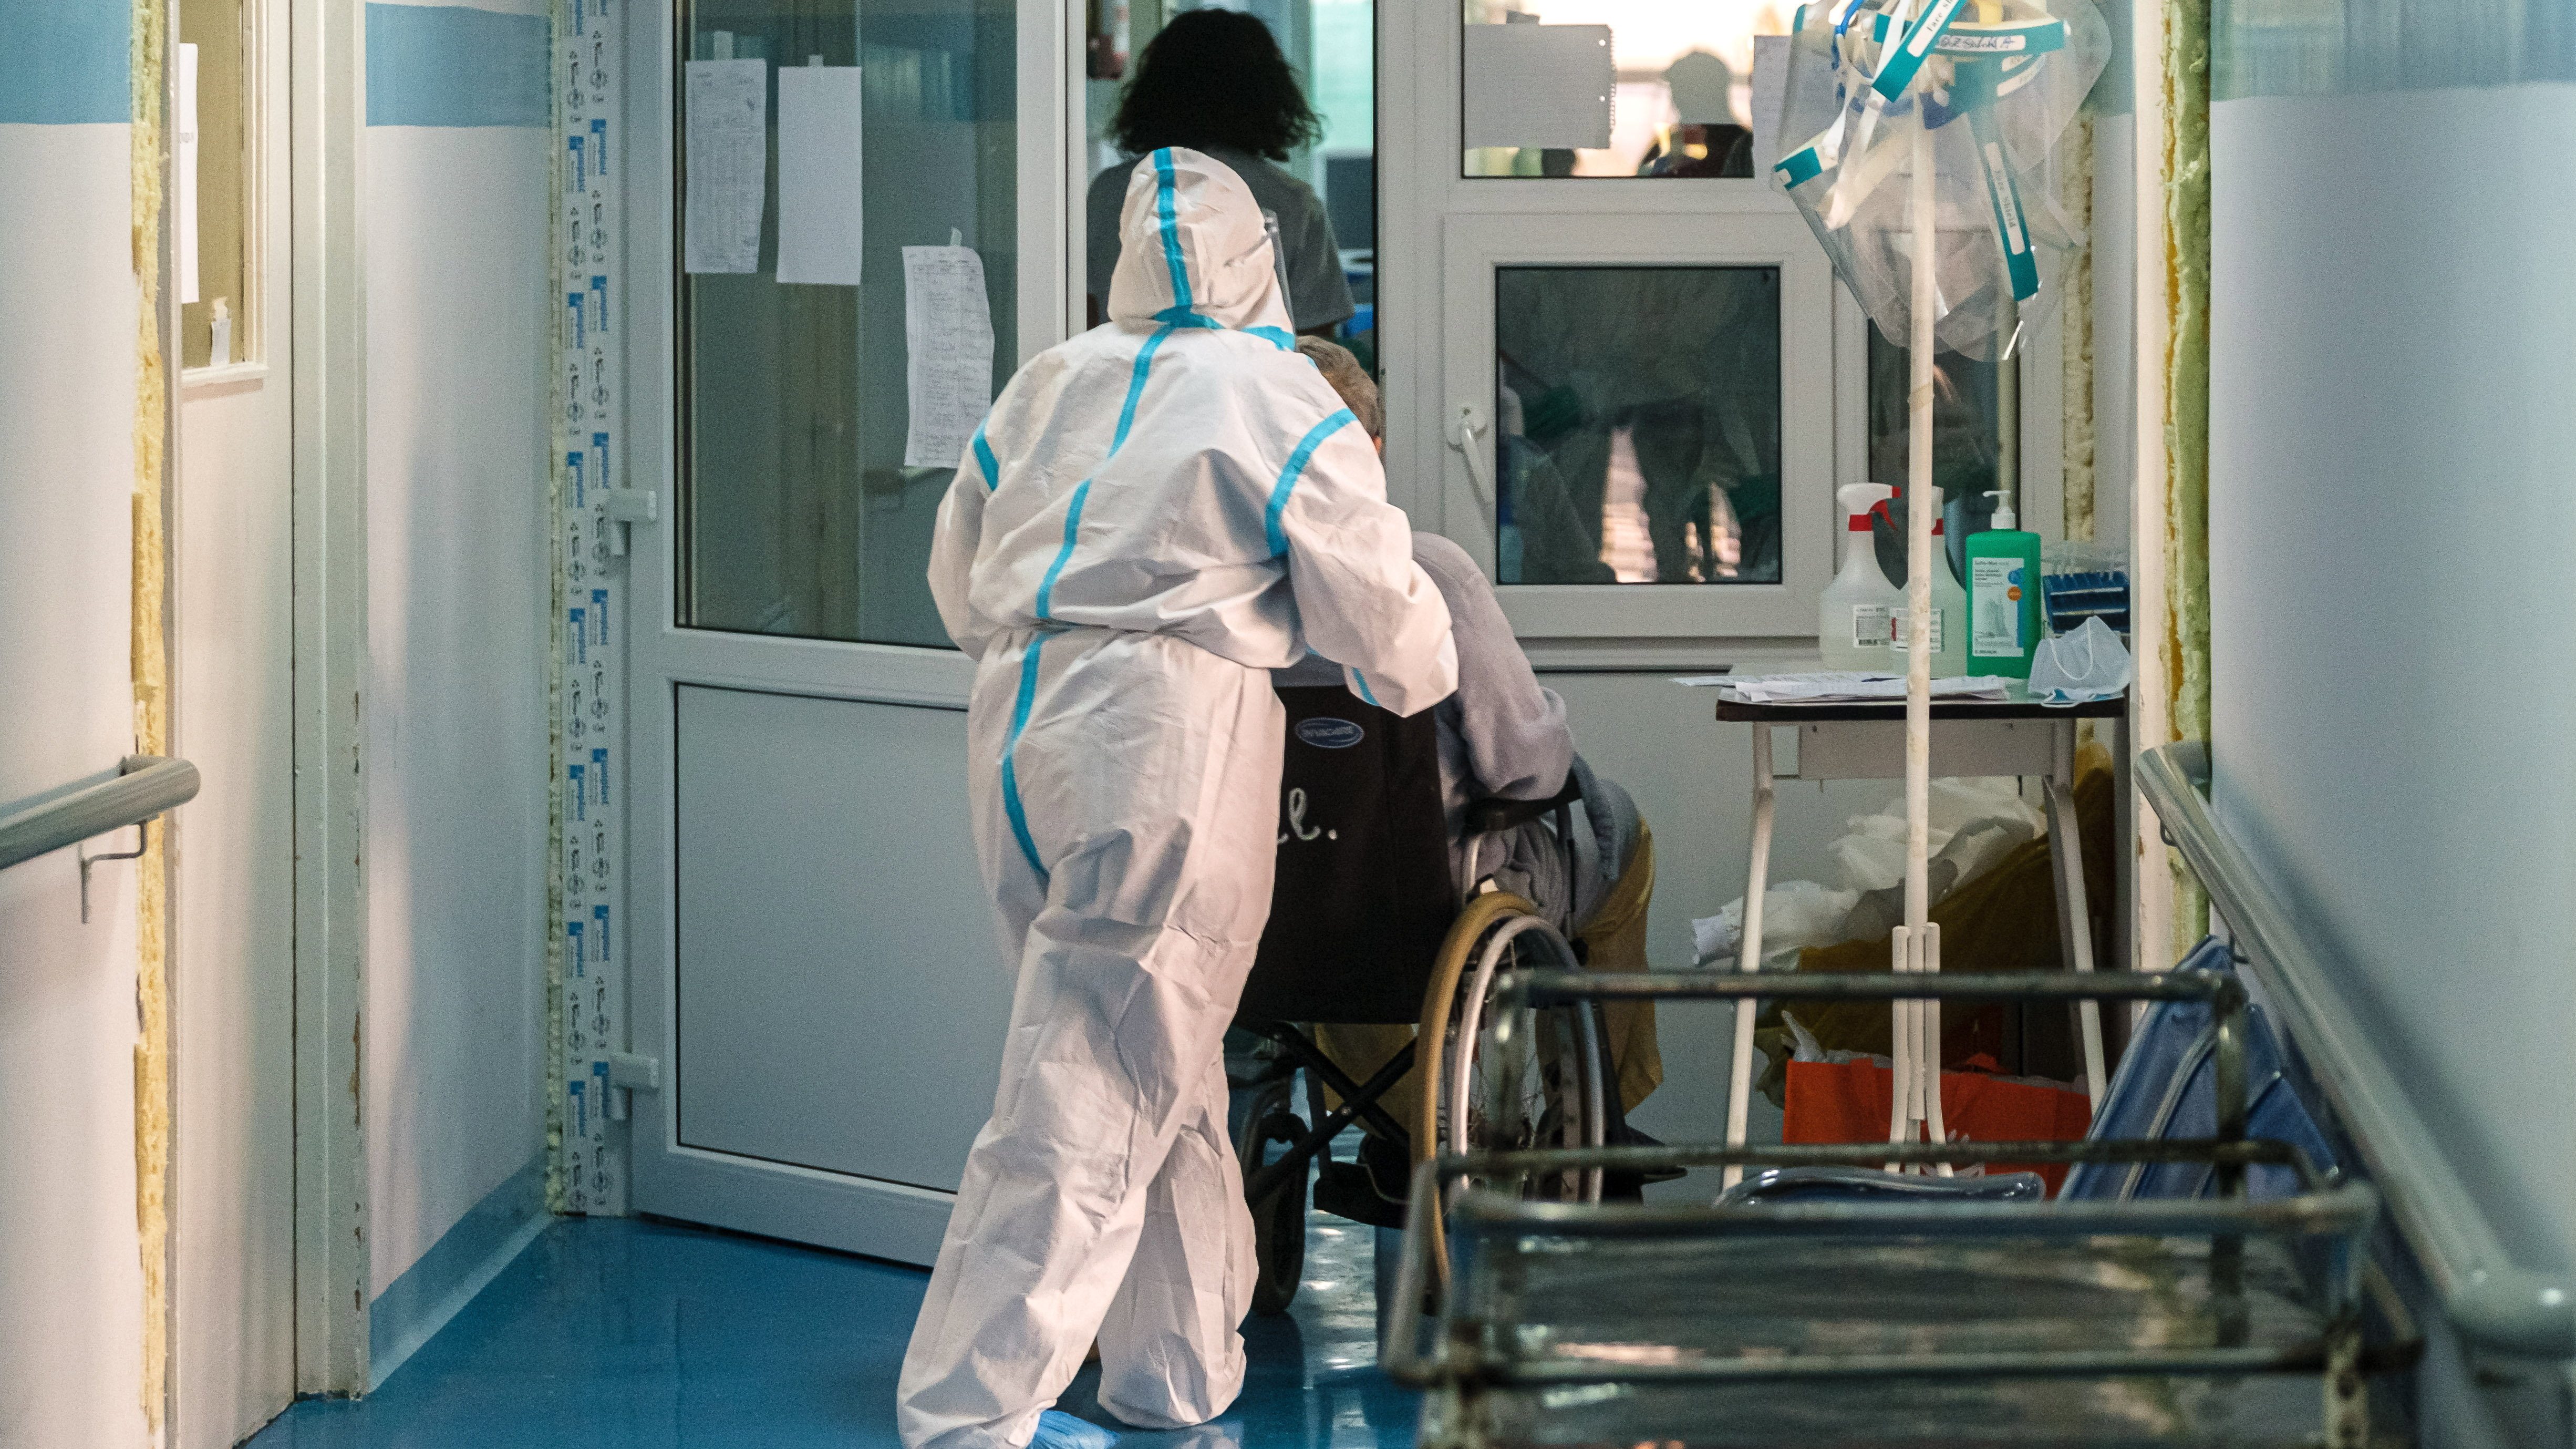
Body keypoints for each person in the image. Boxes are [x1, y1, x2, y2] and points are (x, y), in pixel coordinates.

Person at [902, 149, 1456, 1449]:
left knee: (1162, 1056)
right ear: (1262, 260)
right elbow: (1387, 625)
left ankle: (1174, 1367)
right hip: (1164, 731)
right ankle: (973, 1408)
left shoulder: (1052, 377)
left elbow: (955, 570)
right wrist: (1414, 660)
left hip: (1022, 720)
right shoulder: (1274, 390)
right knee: (1094, 1075)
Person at [1280, 338, 1665, 1152]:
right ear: (1371, 451)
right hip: (1433, 901)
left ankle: (1390, 1129)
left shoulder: (1216, 596)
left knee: (1334, 887)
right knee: (1622, 837)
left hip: (1276, 903)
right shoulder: (1427, 575)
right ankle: (1592, 1123)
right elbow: (1526, 767)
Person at [1084, 9, 1354, 336]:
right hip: (1255, 372)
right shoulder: (1294, 203)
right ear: (1267, 93)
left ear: (1156, 90)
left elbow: (1083, 319)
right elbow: (1318, 341)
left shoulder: (1111, 192)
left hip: (1130, 369)